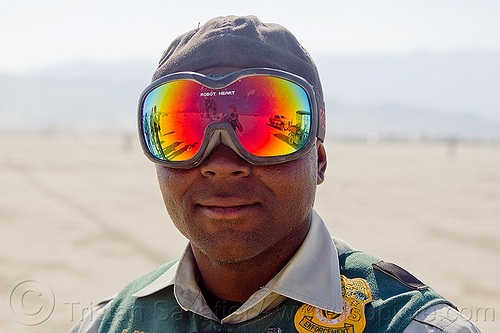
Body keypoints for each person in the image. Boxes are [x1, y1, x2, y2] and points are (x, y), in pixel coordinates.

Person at [69, 16, 481, 333]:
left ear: (318, 159)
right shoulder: (111, 322)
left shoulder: (404, 323)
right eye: (184, 130)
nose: (221, 161)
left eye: (268, 127)